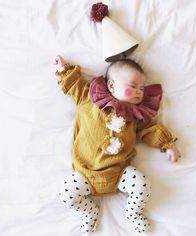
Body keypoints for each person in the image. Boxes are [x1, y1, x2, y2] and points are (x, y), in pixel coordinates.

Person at [55, 55, 181, 234]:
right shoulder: (89, 99)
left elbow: (150, 129)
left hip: (119, 172)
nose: (139, 91)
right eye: (133, 86)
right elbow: (75, 85)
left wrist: (168, 144)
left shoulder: (136, 115)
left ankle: (133, 213)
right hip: (85, 174)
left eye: (142, 88)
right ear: (112, 85)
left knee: (142, 185)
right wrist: (64, 70)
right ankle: (89, 212)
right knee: (66, 195)